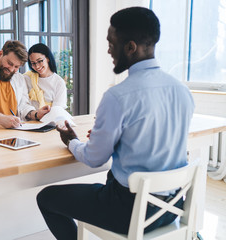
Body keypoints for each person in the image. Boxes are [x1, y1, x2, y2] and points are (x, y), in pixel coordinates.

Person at [36, 7, 195, 239]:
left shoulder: (118, 96)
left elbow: (93, 158)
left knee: (46, 198)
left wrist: (71, 141)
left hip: (129, 211)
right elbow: (153, 139)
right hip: (171, 208)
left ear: (130, 47)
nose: (108, 49)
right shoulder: (182, 91)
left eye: (111, 42)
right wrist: (118, 137)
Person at [24, 43, 67, 109]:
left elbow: (58, 110)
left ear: (47, 58)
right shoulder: (28, 78)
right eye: (33, 63)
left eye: (39, 61)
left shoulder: (59, 83)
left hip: (51, 118)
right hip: (31, 118)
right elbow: (23, 105)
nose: (37, 66)